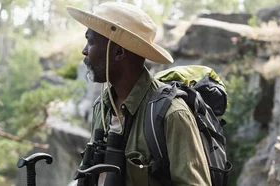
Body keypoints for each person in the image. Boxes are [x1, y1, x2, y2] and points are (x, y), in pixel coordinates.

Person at [66, 2, 211, 186]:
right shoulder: (101, 107)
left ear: (118, 52)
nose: (84, 51)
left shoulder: (172, 115)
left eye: (91, 41)